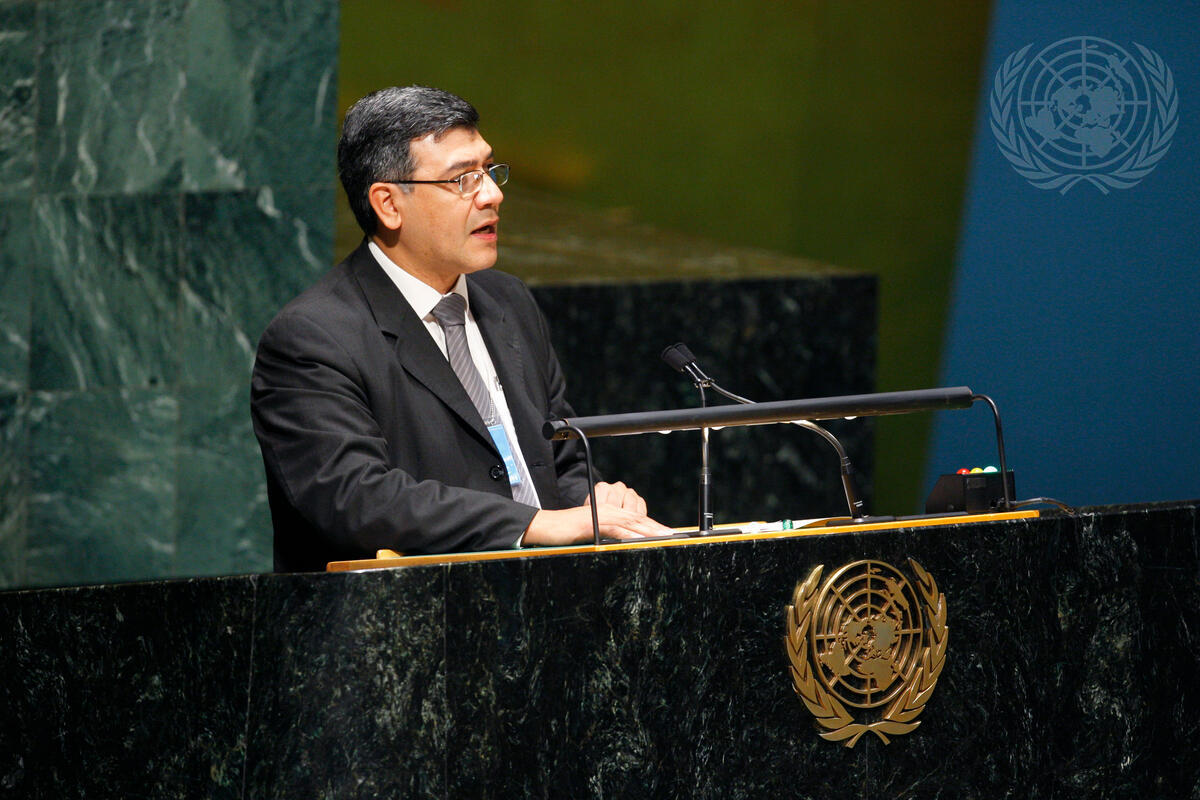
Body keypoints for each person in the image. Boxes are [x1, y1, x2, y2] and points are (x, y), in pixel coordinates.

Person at [251, 86, 670, 571]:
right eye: (463, 179)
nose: (492, 194)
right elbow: (355, 497)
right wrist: (532, 525)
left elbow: (559, 461)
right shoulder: (314, 337)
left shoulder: (508, 301)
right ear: (388, 204)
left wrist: (596, 504)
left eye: (489, 170)